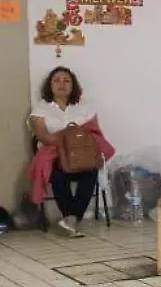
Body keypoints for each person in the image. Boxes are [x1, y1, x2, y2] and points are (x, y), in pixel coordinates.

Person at [28, 67, 114, 237]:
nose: (62, 84)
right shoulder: (41, 108)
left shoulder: (84, 107)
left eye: (67, 80)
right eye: (57, 80)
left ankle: (71, 219)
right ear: (50, 85)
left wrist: (73, 140)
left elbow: (93, 135)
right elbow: (43, 136)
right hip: (55, 156)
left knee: (91, 172)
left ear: (73, 85)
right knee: (58, 175)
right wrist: (70, 137)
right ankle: (71, 218)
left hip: (81, 156)